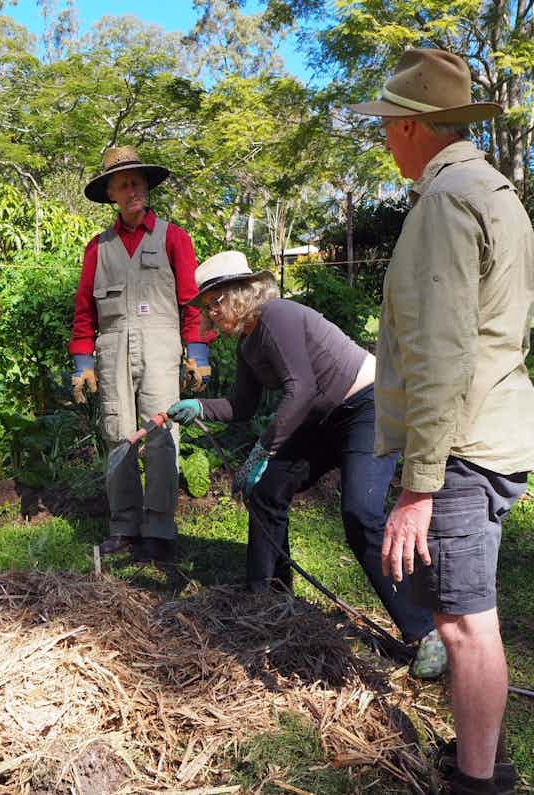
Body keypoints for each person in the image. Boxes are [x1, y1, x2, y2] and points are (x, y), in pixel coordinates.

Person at [349, 48, 534, 795]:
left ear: (418, 127)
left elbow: (442, 354)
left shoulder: (445, 203)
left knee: (463, 622)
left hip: (459, 445)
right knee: (466, 617)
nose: (385, 138)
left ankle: (479, 781)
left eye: (389, 125)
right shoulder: (496, 194)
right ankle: (481, 758)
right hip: (494, 430)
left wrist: (419, 486)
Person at [168, 249, 447, 679]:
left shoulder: (276, 316)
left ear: (240, 294)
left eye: (214, 303)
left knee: (361, 514)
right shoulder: (247, 344)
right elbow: (241, 406)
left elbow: (300, 390)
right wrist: (199, 408)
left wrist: (264, 450)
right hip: (323, 417)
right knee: (265, 492)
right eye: (206, 306)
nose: (210, 314)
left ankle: (426, 631)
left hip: (368, 406)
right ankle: (267, 600)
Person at [69, 146, 214, 563]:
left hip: (161, 348)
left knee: (162, 435)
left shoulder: (174, 237)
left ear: (146, 187)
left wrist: (198, 352)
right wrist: (83, 363)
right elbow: (84, 311)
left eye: (137, 182)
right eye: (123, 184)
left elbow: (192, 302)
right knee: (118, 436)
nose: (132, 190)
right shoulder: (98, 248)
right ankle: (124, 526)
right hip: (112, 350)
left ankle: (160, 529)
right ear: (111, 193)